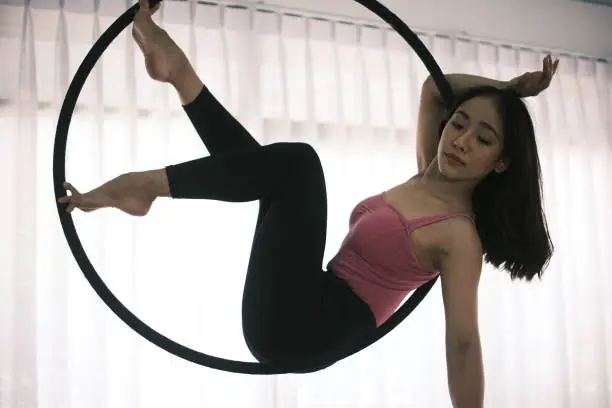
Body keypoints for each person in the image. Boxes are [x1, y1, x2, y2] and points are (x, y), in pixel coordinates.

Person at [57, 0, 557, 406]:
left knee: (298, 167)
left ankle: (146, 184)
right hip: (299, 301)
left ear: (500, 162)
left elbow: (464, 343)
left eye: (484, 138)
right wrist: (507, 93)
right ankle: (182, 78)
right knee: (272, 178)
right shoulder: (423, 174)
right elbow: (433, 89)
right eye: (460, 122)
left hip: (305, 328)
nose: (461, 139)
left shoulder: (458, 234)